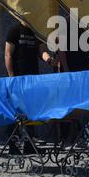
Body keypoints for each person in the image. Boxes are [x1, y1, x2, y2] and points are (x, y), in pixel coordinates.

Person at [4, 19, 56, 154]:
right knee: (16, 113)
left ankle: (29, 144)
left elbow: (41, 51)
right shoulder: (14, 30)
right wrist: (11, 77)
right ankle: (13, 145)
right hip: (18, 78)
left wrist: (49, 59)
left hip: (33, 79)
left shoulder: (36, 31)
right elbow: (8, 54)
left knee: (31, 111)